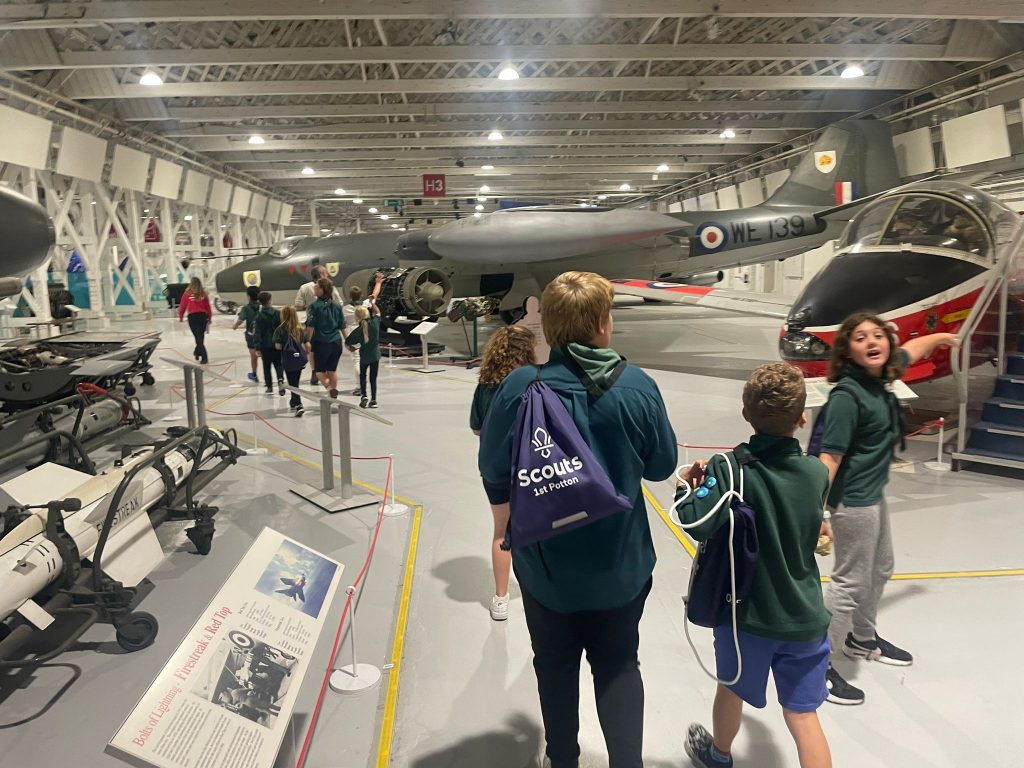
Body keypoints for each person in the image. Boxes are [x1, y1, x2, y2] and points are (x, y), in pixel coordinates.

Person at [478, 271, 677, 768]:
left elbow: (493, 469)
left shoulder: (521, 387)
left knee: (554, 666)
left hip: (547, 571)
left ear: (551, 326)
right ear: (603, 325)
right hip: (620, 566)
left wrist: (511, 520)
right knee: (618, 664)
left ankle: (562, 757)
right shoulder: (637, 386)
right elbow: (662, 466)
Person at [675, 363, 832, 768]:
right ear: (801, 417)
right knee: (803, 715)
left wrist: (686, 486)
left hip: (746, 616)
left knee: (731, 689)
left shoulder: (730, 468)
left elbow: (695, 522)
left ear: (746, 413)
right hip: (805, 616)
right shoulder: (817, 473)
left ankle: (719, 754)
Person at [817, 313, 958, 705]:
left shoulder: (881, 379)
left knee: (880, 568)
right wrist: (818, 511)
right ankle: (815, 665)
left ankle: (861, 638)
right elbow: (829, 458)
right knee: (849, 582)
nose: (872, 342)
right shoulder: (847, 397)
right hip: (853, 502)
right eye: (861, 337)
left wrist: (943, 337)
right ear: (848, 351)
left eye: (878, 335)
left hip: (873, 494)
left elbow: (912, 349)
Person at [470, 324, 537, 621]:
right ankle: (539, 588)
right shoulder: (533, 382)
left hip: (495, 468)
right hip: (531, 469)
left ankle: (500, 598)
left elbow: (476, 427)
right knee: (538, 528)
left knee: (501, 532)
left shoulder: (485, 385)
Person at [294, 265, 342, 385]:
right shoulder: (331, 288)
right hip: (329, 325)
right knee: (328, 354)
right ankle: (328, 378)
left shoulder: (304, 287)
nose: (327, 274)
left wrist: (308, 307)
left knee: (312, 349)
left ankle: (315, 371)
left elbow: (298, 306)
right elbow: (339, 303)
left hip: (311, 324)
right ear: (321, 274)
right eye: (325, 272)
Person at [304, 277, 346, 398]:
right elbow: (342, 326)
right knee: (332, 370)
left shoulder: (313, 307)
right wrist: (348, 341)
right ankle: (333, 396)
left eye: (317, 286)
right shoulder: (337, 306)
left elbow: (310, 326)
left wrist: (307, 341)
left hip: (321, 343)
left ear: (322, 290)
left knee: (319, 371)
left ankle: (330, 389)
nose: (314, 288)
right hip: (336, 342)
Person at [274, 305, 308, 417]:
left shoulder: (280, 329)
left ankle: (299, 404)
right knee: (295, 381)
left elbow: (278, 346)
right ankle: (293, 401)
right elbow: (307, 345)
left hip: (288, 359)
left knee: (292, 383)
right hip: (298, 359)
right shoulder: (300, 329)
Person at [254, 291, 283, 396]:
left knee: (266, 366)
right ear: (270, 300)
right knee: (278, 364)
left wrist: (257, 347)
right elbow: (282, 329)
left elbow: (257, 333)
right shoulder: (277, 314)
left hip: (265, 345)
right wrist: (281, 341)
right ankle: (280, 381)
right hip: (276, 344)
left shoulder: (259, 316)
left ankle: (269, 386)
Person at [342, 284, 369, 395]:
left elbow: (342, 325)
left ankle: (360, 386)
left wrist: (347, 342)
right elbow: (374, 296)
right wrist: (378, 283)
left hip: (352, 334)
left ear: (349, 296)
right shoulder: (366, 305)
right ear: (361, 295)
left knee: (357, 361)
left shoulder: (345, 309)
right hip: (365, 333)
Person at [177, 277, 212, 364]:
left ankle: (204, 357)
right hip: (202, 317)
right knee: (200, 337)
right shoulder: (203, 294)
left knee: (198, 337)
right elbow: (208, 307)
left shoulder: (187, 294)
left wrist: (181, 317)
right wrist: (209, 318)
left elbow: (182, 306)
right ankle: (197, 352)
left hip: (192, 317)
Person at [232, 285, 262, 383]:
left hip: (251, 335)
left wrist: (235, 326)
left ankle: (254, 374)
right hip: (263, 335)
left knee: (253, 356)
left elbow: (240, 320)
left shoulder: (246, 308)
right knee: (266, 356)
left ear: (248, 296)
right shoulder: (262, 307)